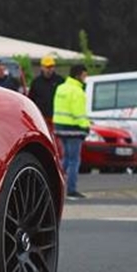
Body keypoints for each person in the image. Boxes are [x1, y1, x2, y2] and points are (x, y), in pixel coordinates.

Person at [53, 64, 90, 199]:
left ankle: (55, 186)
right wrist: (86, 126)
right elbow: (78, 112)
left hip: (60, 127)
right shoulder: (77, 91)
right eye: (84, 75)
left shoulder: (61, 88)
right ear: (78, 75)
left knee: (66, 159)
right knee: (74, 160)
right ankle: (71, 189)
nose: (85, 78)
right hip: (74, 129)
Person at [27, 55, 64, 127]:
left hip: (56, 117)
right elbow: (31, 99)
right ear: (42, 67)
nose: (49, 70)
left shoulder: (60, 81)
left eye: (51, 67)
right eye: (47, 67)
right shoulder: (36, 82)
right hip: (41, 117)